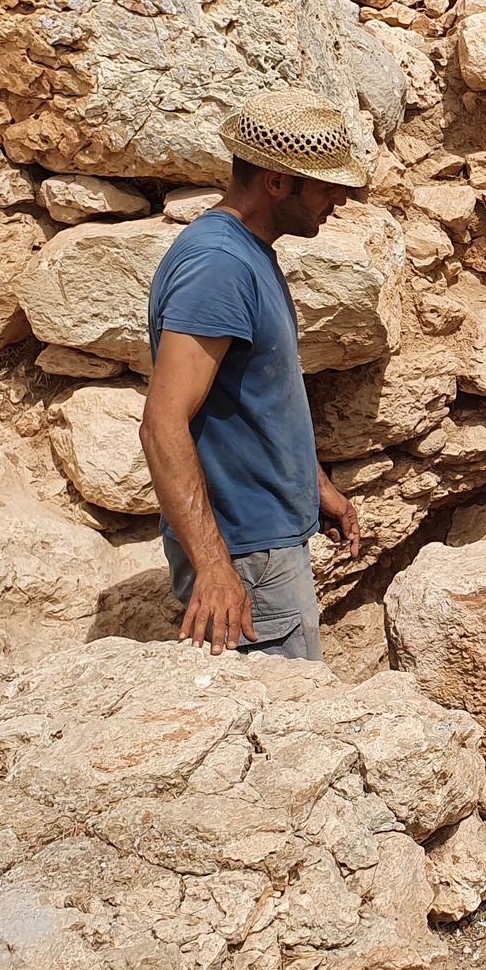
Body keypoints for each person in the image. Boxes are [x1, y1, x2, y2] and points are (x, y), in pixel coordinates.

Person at [139, 86, 371, 659]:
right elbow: (162, 422)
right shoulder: (218, 266)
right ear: (276, 182)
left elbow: (260, 395)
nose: (338, 199)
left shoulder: (246, 253)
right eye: (325, 185)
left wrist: (314, 486)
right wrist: (216, 568)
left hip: (262, 549)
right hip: (246, 559)